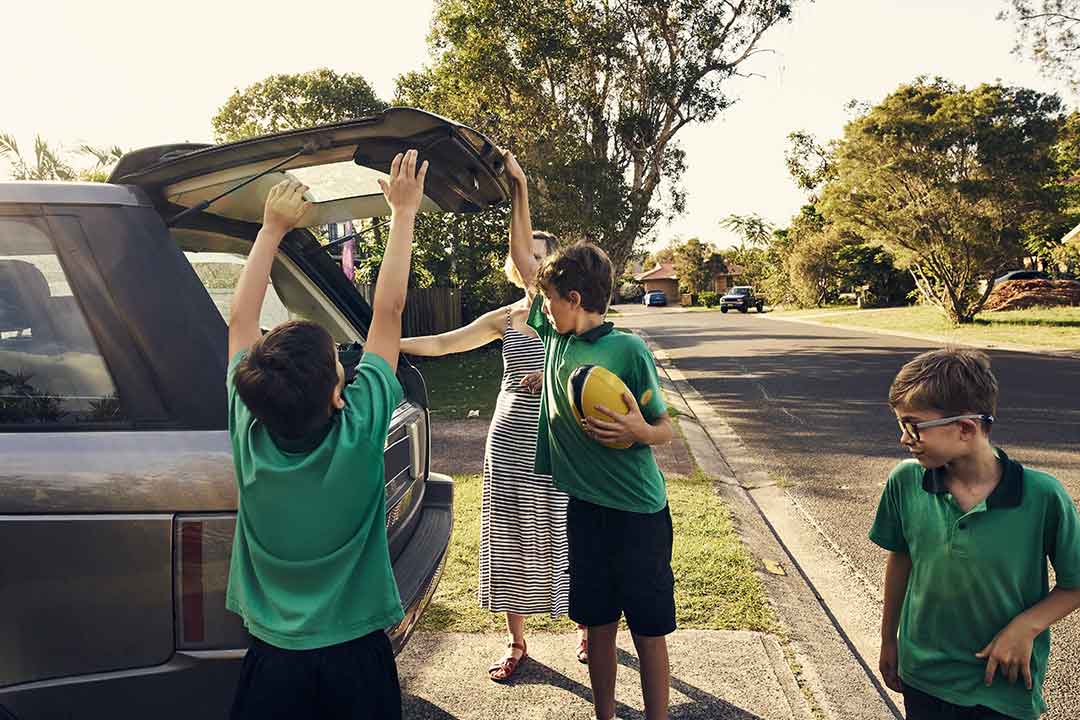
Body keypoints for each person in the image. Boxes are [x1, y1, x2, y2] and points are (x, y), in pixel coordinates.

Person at [224, 150, 428, 719]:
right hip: (355, 659)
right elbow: (388, 313)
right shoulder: (358, 431)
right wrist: (404, 212)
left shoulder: (251, 427)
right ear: (339, 395)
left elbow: (240, 321)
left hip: (273, 664)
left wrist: (270, 229)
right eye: (341, 368)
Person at [505, 152, 676, 720]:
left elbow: (666, 430)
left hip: (638, 514)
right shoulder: (557, 341)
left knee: (649, 631)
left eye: (551, 300)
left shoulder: (626, 350)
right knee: (598, 627)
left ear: (574, 301)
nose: (543, 305)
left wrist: (635, 428)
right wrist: (520, 191)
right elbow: (525, 262)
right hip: (586, 511)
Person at [399, 227, 587, 681]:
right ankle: (516, 641)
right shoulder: (505, 317)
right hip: (508, 436)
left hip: (557, 437)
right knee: (508, 535)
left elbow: (594, 369)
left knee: (567, 530)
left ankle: (587, 626)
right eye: (528, 257)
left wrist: (556, 378)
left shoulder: (571, 316)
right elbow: (445, 343)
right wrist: (391, 344)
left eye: (542, 257)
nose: (535, 265)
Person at [871, 348, 1080, 720]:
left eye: (913, 425)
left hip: (1000, 684)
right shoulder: (905, 481)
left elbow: (1075, 583)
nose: (904, 438)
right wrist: (889, 640)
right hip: (923, 677)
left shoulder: (1043, 496)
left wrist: (1025, 627)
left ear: (966, 428)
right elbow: (901, 558)